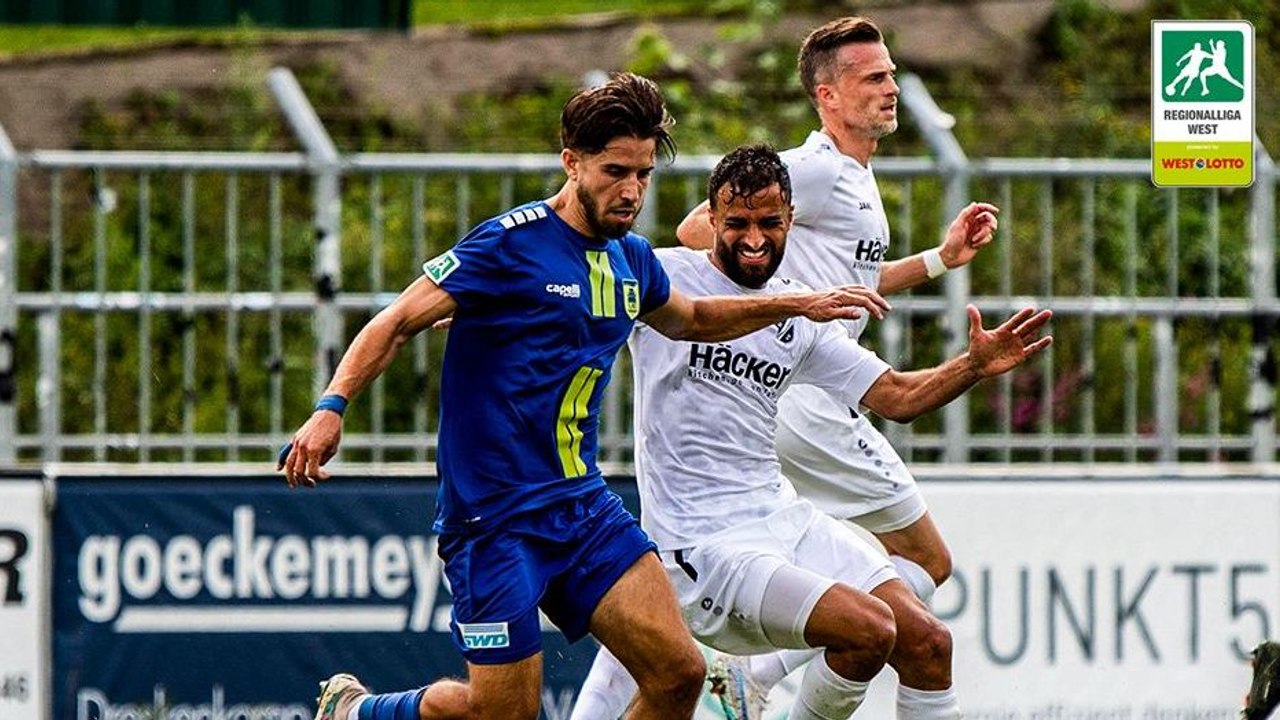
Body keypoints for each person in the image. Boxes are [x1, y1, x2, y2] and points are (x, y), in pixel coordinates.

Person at [277, 73, 881, 720]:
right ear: (572, 162)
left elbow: (692, 319)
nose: (632, 191)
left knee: (680, 675)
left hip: (583, 510)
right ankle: (354, 712)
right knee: (502, 713)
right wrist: (330, 407)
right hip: (495, 521)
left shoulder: (631, 259)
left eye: (643, 174)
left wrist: (796, 303)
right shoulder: (510, 244)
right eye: (615, 171)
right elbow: (396, 320)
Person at [570, 144, 1051, 719]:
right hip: (702, 544)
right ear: (711, 219)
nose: (754, 239)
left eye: (769, 223)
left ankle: (755, 681)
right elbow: (577, 286)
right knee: (868, 629)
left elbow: (897, 398)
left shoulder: (803, 310)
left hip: (781, 517)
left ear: (791, 220)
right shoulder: (666, 275)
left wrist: (972, 365)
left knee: (927, 642)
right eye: (738, 223)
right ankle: (750, 679)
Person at [671, 15, 1001, 714]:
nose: (890, 88)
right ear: (828, 95)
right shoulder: (816, 168)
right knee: (928, 562)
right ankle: (756, 674)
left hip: (812, 390)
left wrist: (941, 260)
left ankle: (757, 672)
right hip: (806, 399)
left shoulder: (853, 176)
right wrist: (781, 304)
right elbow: (700, 228)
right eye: (874, 78)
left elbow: (856, 284)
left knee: (879, 586)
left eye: (891, 75)